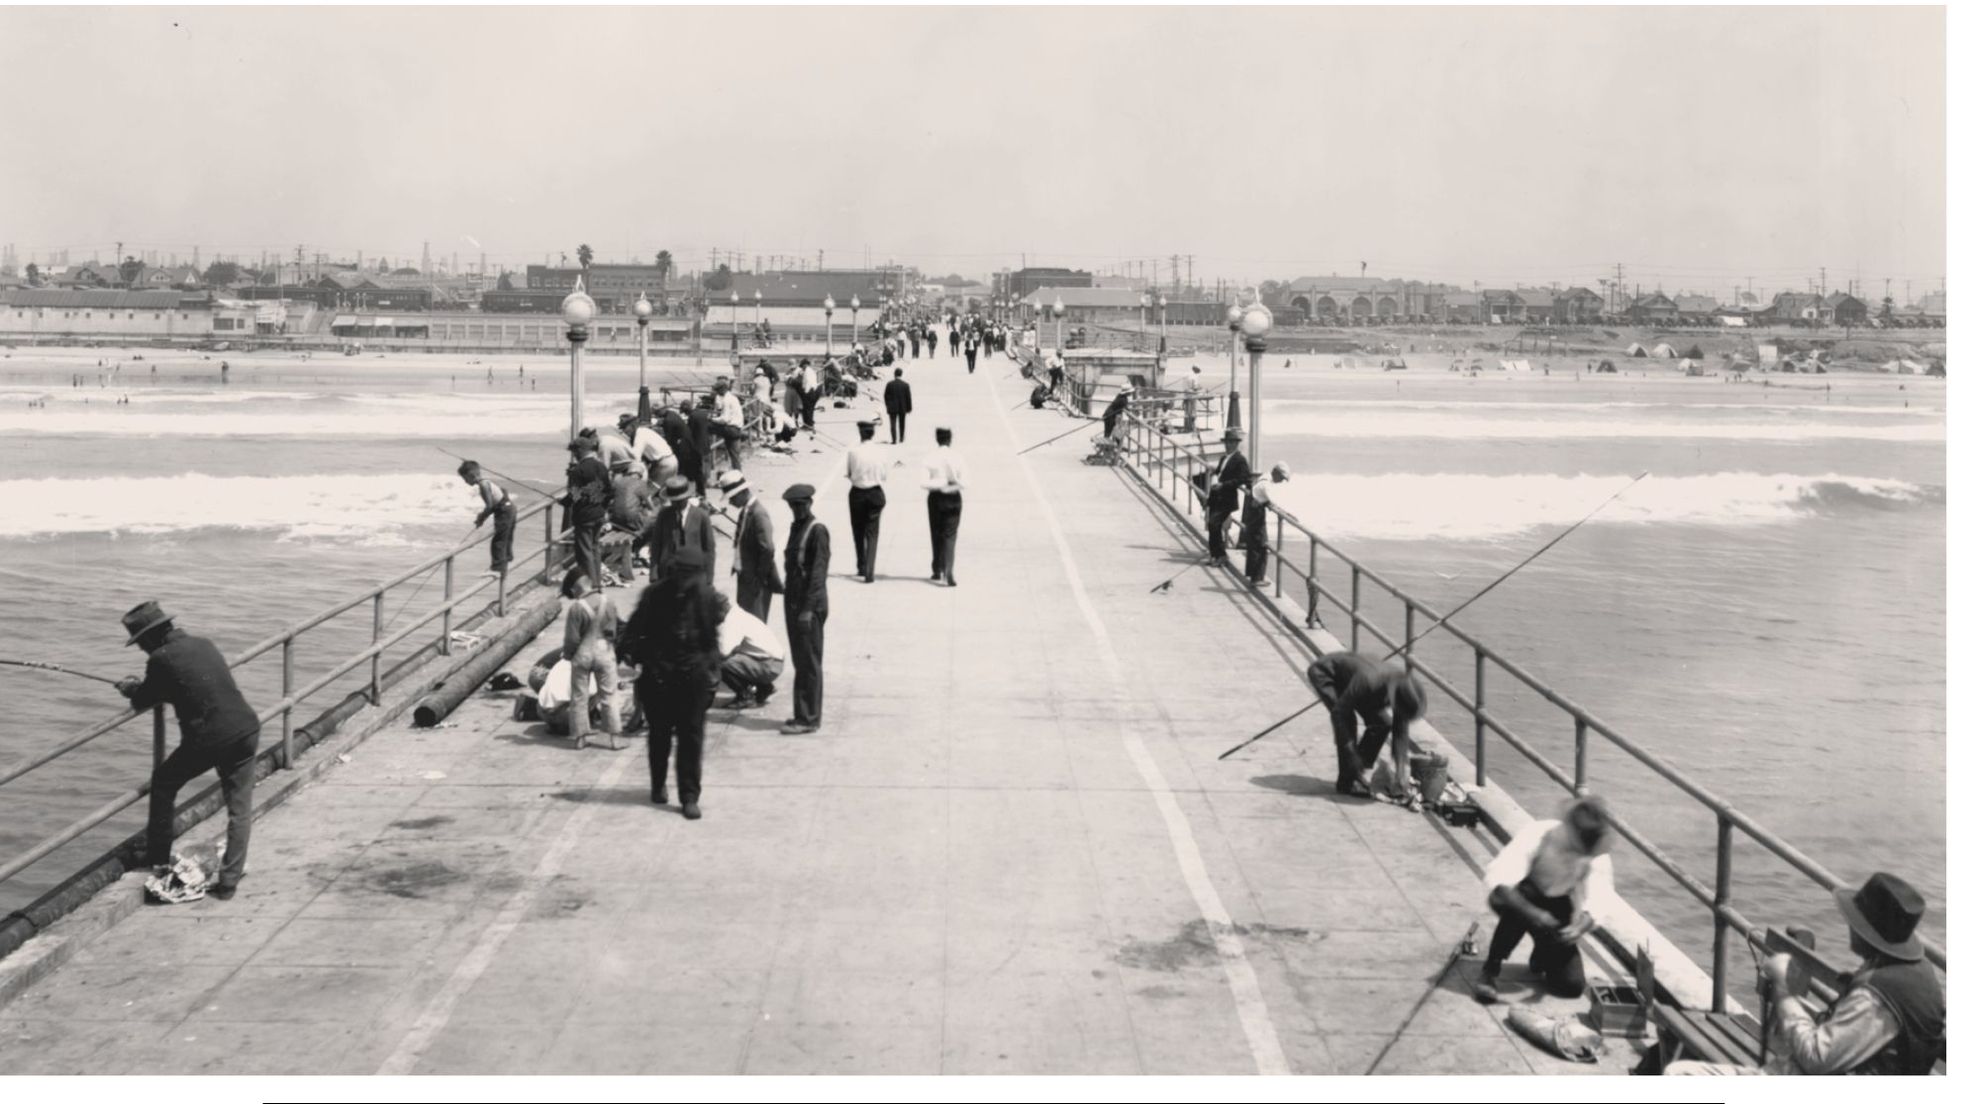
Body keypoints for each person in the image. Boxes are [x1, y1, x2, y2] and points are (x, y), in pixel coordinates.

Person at [1665, 871, 1945, 1076]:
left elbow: (1816, 1056)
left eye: (1855, 921)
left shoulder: (1877, 998)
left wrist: (1784, 989)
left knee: (1680, 1076)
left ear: (1867, 933)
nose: (1848, 925)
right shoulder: (1910, 973)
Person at [115, 602, 261, 901]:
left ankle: (157, 858)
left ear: (151, 637)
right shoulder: (203, 643)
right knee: (239, 809)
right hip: (246, 728)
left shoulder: (159, 658)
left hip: (210, 739)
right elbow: (187, 682)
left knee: (164, 782)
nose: (142, 649)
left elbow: (145, 698)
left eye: (141, 642)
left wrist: (130, 688)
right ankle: (229, 883)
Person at [1472, 796, 1615, 1004]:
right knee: (1520, 901)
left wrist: (1579, 928)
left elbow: (1600, 900)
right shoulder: (1538, 834)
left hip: (1558, 905)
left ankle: (1542, 952)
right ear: (1568, 827)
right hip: (1519, 897)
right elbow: (1499, 881)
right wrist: (1534, 913)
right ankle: (1491, 969)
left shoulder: (1595, 853)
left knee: (1571, 986)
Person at [619, 546, 720, 820]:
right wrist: (637, 660)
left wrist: (711, 671)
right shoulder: (654, 595)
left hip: (692, 678)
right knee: (659, 735)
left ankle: (689, 796)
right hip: (659, 677)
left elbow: (711, 639)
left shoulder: (707, 598)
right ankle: (658, 784)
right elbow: (634, 632)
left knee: (691, 738)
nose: (688, 580)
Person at [1305, 650, 1427, 800]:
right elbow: (1339, 713)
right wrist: (1351, 752)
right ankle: (1347, 781)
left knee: (1383, 723)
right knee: (1348, 720)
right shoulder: (1369, 681)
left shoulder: (1404, 688)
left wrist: (1400, 773)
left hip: (1356, 681)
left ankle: (1357, 771)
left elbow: (1400, 732)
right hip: (1326, 674)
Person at [780, 483, 830, 734]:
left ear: (809, 503)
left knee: (810, 661)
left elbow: (818, 575)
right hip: (793, 602)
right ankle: (802, 713)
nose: (796, 510)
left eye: (799, 505)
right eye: (792, 506)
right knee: (801, 660)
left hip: (808, 605)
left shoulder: (817, 530)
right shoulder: (796, 528)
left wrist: (808, 610)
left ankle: (809, 718)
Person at [559, 569, 621, 750]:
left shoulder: (576, 608)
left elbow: (572, 639)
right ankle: (614, 738)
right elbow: (613, 631)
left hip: (583, 653)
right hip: (604, 651)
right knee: (609, 694)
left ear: (575, 588)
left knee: (579, 696)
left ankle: (580, 738)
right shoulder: (608, 601)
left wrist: (568, 655)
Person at [718, 470, 782, 621]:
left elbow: (768, 548)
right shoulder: (745, 512)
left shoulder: (758, 514)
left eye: (732, 497)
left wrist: (758, 577)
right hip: (746, 578)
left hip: (755, 581)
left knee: (755, 625)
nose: (730, 502)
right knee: (747, 622)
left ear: (742, 493)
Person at [846, 419, 897, 584]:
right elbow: (884, 476)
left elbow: (850, 474)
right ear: (873, 433)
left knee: (858, 531)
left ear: (860, 433)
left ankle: (861, 564)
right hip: (875, 492)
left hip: (858, 493)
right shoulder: (881, 452)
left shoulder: (853, 452)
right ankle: (870, 569)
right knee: (872, 533)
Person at [717, 594, 786, 708]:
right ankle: (765, 688)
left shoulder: (733, 621)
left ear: (720, 610)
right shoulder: (740, 614)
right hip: (774, 661)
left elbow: (723, 652)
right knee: (739, 656)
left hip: (769, 665)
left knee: (721, 663)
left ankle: (745, 696)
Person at [642, 475, 717, 581]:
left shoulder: (701, 516)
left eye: (680, 500)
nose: (676, 504)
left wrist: (709, 578)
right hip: (667, 573)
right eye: (673, 501)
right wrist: (653, 573)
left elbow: (709, 550)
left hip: (693, 572)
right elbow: (656, 545)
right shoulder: (664, 515)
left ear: (687, 497)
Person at [1196, 428, 1251, 566]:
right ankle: (1215, 555)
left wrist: (1224, 485)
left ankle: (1221, 556)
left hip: (1226, 498)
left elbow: (1243, 478)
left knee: (1214, 524)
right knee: (1211, 525)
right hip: (1216, 497)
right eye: (1227, 442)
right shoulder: (1224, 458)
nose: (1228, 445)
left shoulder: (1240, 460)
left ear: (1236, 444)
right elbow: (1221, 472)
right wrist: (1215, 472)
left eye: (1231, 442)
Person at [565, 435, 611, 592]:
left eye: (574, 452)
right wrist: (602, 508)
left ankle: (591, 585)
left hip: (584, 516)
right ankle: (598, 583)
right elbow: (609, 491)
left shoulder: (578, 470)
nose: (574, 455)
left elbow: (574, 496)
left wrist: (563, 502)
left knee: (584, 551)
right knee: (595, 549)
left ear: (580, 451)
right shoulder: (602, 467)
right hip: (599, 514)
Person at [921, 426, 966, 586]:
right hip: (953, 497)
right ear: (950, 439)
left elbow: (924, 482)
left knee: (936, 532)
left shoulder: (929, 458)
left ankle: (937, 568)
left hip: (936, 497)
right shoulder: (958, 457)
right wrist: (949, 485)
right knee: (950, 535)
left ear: (937, 438)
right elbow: (965, 482)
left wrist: (940, 483)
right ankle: (949, 569)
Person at [458, 460, 517, 577]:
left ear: (471, 475)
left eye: (465, 479)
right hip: (510, 508)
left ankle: (497, 568)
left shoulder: (483, 485)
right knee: (507, 536)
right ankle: (508, 558)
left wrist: (481, 518)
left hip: (504, 512)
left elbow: (490, 506)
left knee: (498, 541)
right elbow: (503, 492)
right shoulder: (488, 482)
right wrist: (482, 516)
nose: (465, 482)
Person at [1241, 462, 1291, 586]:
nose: (1281, 482)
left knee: (1255, 544)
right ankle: (1256, 578)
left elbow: (1265, 499)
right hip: (1256, 514)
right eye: (1282, 478)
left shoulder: (1264, 477)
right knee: (1261, 545)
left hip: (1253, 510)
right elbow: (1274, 502)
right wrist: (1288, 514)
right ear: (1276, 473)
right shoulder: (1266, 484)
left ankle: (1254, 576)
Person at [883, 367, 913, 444]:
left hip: (892, 407)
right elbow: (908, 398)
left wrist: (888, 405)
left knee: (893, 424)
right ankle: (901, 438)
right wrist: (909, 408)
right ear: (901, 374)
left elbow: (886, 396)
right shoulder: (905, 385)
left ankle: (894, 439)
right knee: (902, 423)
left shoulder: (889, 384)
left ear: (894, 374)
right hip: (902, 407)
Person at [1182, 365, 1203, 432]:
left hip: (1186, 394)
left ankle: (1187, 426)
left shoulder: (1186, 375)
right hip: (1192, 395)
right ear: (1196, 369)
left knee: (1187, 411)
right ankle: (1192, 427)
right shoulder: (1194, 376)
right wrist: (1200, 387)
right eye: (1198, 371)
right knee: (1192, 411)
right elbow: (1195, 387)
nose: (1198, 373)